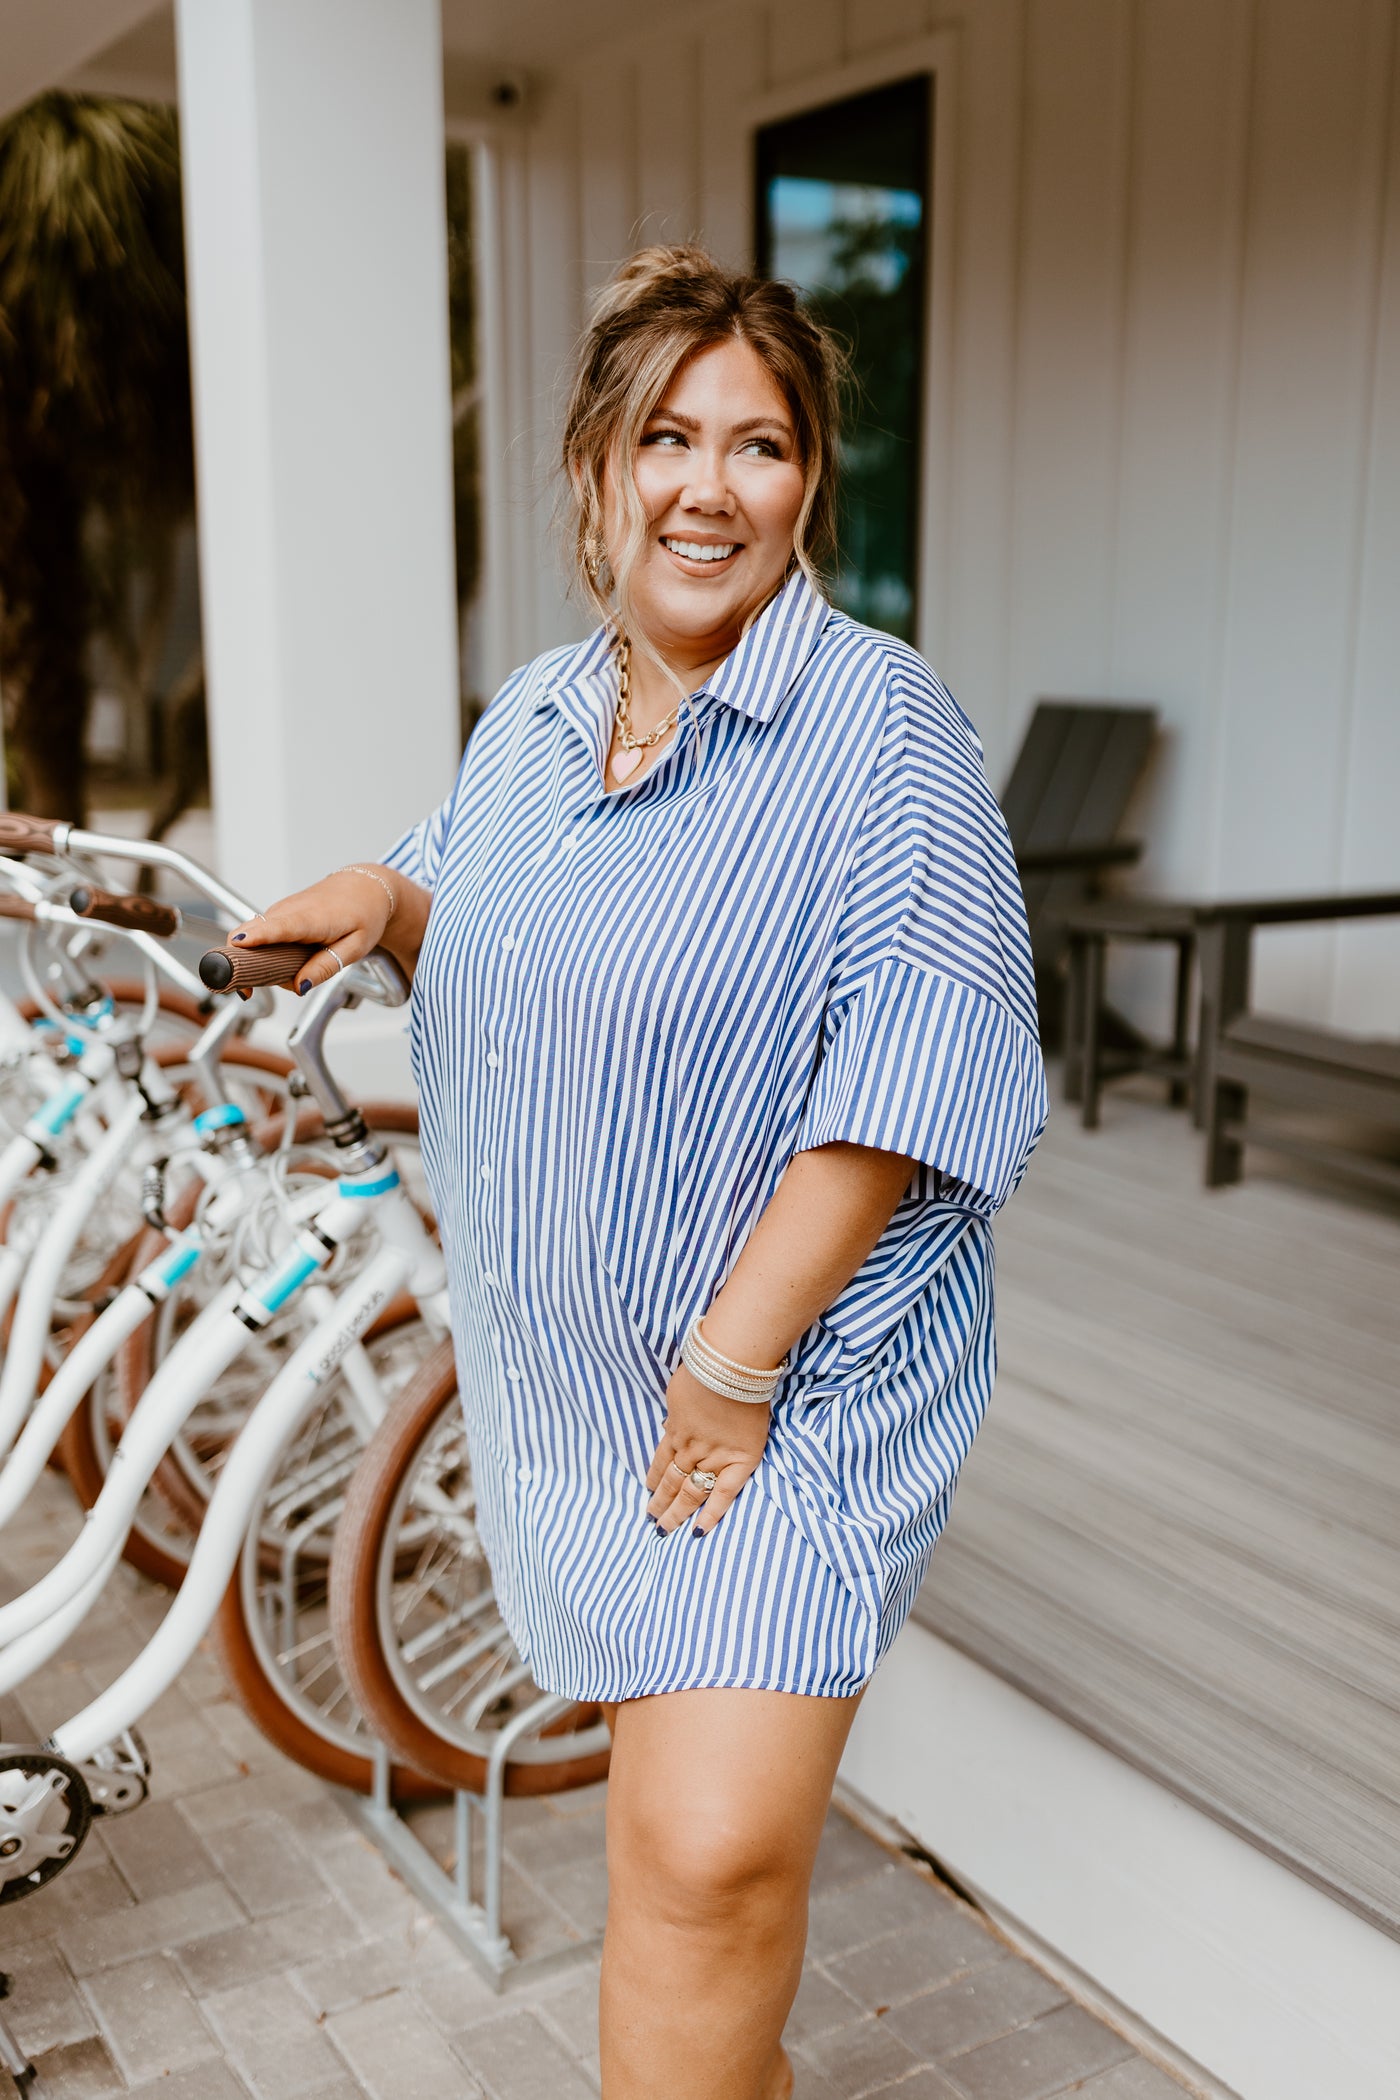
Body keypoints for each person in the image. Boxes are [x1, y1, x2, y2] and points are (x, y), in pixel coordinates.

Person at [231, 244, 1047, 2100]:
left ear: (809, 484)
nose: (709, 487)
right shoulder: (534, 715)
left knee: (698, 1857)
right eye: (666, 438)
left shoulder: (882, 734)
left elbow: (907, 1082)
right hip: (574, 1386)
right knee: (674, 1855)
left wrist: (734, 1364)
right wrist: (383, 900)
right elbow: (493, 914)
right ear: (597, 469)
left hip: (783, 1389)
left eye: (759, 447)